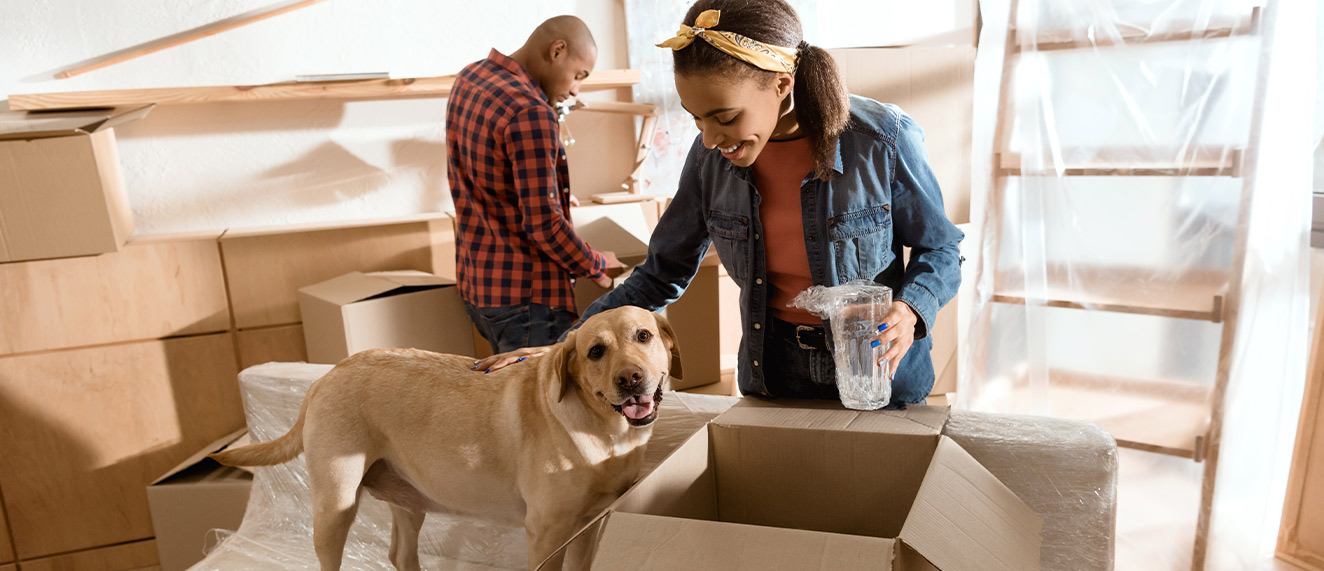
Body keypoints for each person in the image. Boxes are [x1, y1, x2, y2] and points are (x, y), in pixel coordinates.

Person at [477, 0, 963, 408]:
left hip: (879, 373)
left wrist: (911, 310)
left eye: (725, 117)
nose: (711, 139)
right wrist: (562, 346)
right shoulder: (710, 161)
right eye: (696, 120)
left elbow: (941, 251)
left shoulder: (881, 139)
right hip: (774, 373)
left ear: (782, 85)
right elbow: (660, 272)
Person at [447, 15, 620, 355]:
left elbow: (488, 178)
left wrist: (551, 195)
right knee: (537, 407)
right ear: (557, 50)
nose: (575, 89)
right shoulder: (530, 111)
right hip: (528, 302)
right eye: (578, 75)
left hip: (479, 287)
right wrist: (596, 265)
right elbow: (544, 226)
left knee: (509, 401)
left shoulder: (471, 76)